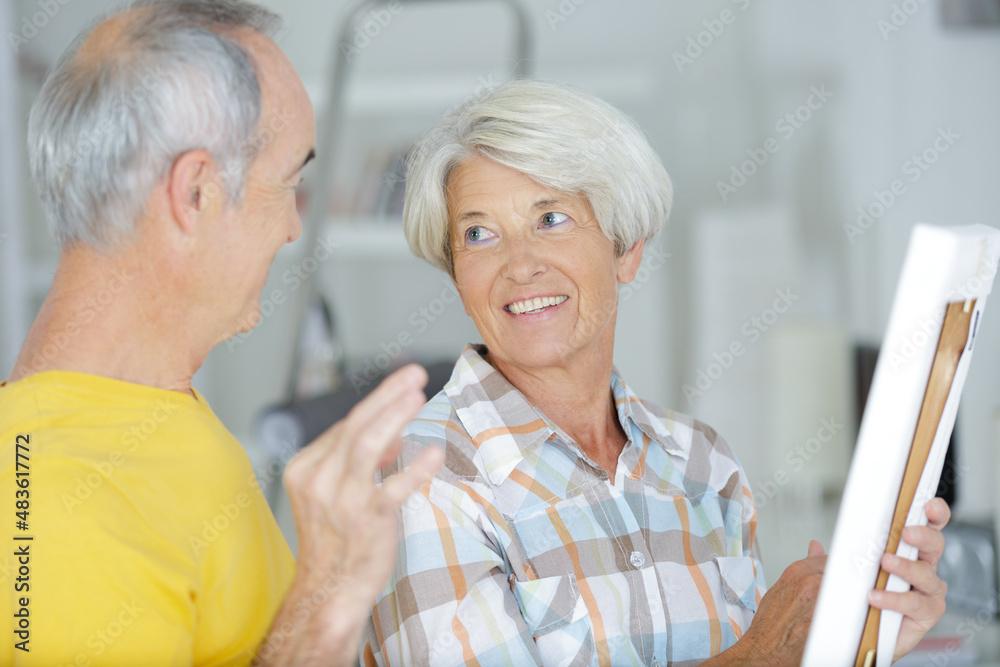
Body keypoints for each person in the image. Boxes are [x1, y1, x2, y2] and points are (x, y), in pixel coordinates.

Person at [361, 79, 950, 665]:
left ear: (627, 250)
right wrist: (762, 655)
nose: (519, 265)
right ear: (457, 278)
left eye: (551, 219)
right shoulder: (421, 476)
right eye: (478, 234)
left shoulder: (704, 464)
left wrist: (855, 641)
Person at [0, 1, 442, 664]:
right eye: (289, 183)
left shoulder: (144, 408)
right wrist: (327, 595)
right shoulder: (60, 505)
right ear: (196, 194)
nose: (293, 227)